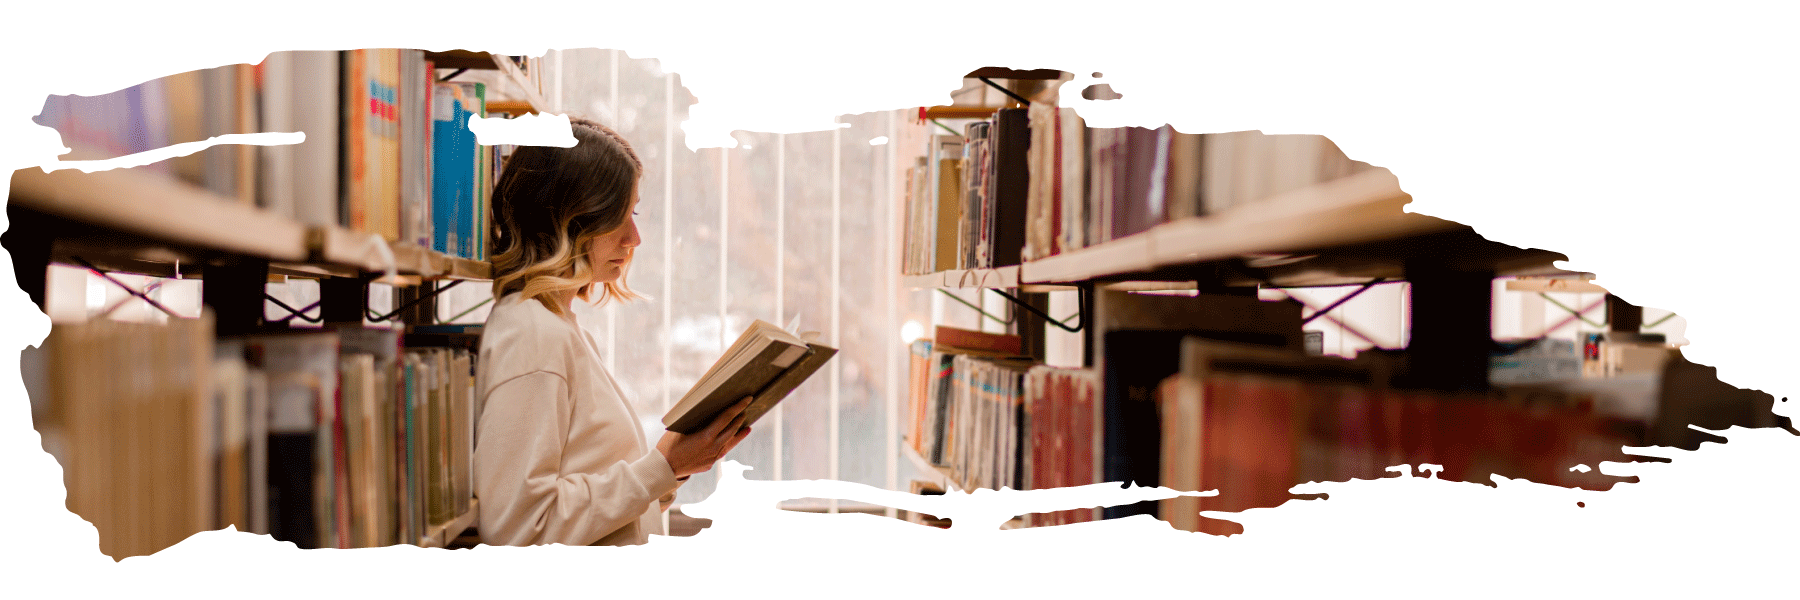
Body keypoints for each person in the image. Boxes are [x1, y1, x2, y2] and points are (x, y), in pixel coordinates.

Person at [473, 116, 752, 546]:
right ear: (571, 219)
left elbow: (591, 499)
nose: (634, 237)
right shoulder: (534, 335)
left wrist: (673, 467)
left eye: (633, 213)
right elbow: (518, 528)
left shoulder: (559, 328)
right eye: (620, 215)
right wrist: (658, 467)